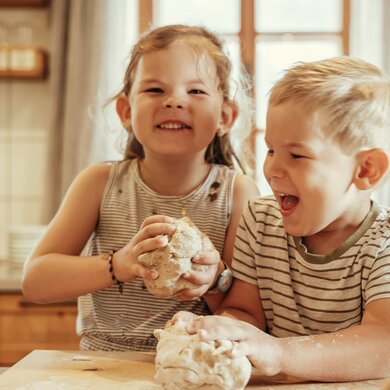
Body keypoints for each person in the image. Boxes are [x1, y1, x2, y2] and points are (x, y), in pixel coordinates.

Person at [21, 24, 259, 352]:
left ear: (225, 116)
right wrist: (120, 265)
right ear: (126, 112)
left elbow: (250, 316)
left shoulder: (238, 193)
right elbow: (36, 282)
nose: (175, 100)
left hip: (193, 363)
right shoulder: (98, 183)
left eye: (196, 91)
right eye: (155, 90)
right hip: (103, 365)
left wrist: (214, 281)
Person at [173, 56, 390, 382]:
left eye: (297, 155)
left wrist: (279, 353)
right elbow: (247, 312)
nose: (272, 169)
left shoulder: (383, 241)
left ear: (365, 170)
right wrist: (220, 332)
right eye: (271, 150)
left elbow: (383, 344)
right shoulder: (260, 221)